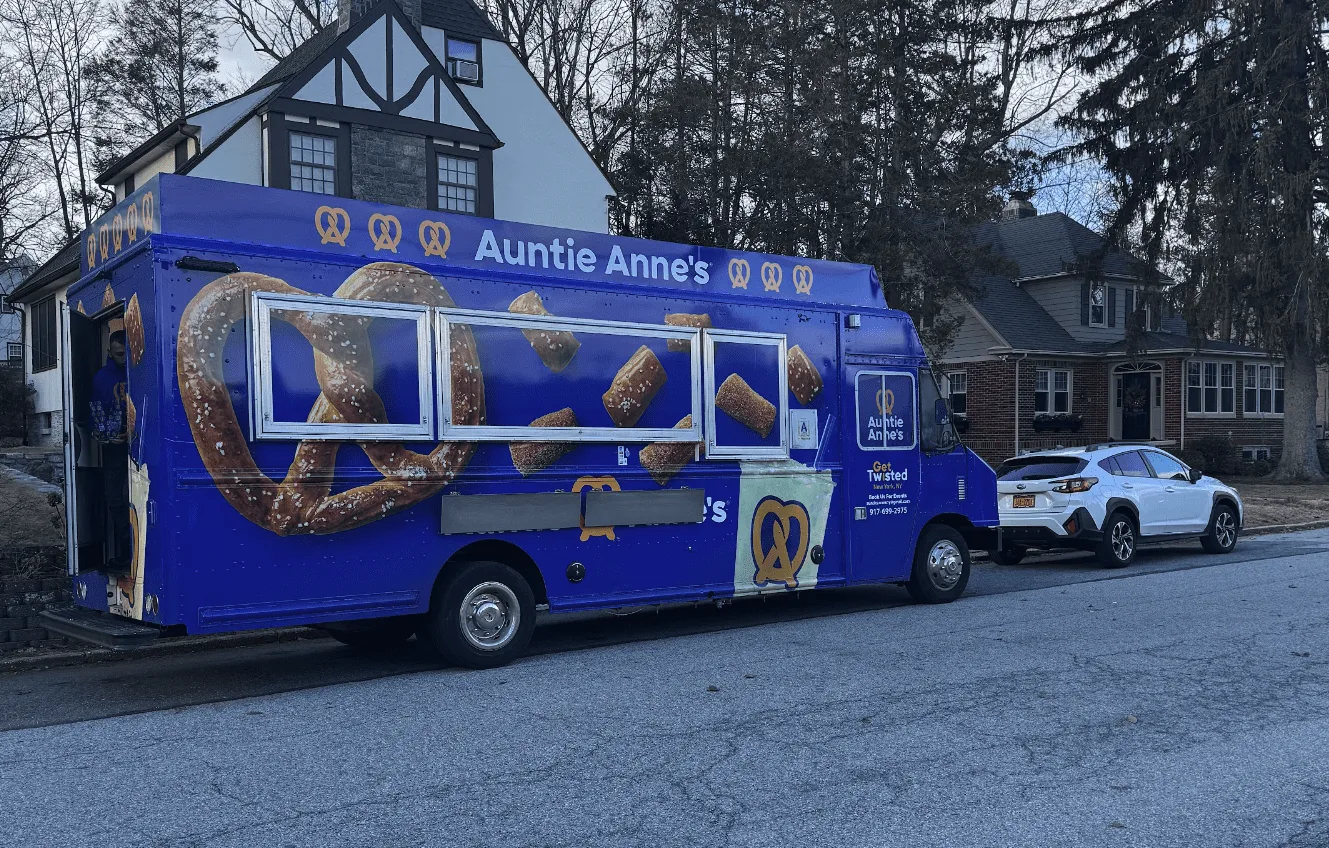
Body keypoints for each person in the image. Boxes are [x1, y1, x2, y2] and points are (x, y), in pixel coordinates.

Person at [90, 330, 131, 574]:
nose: (123, 358)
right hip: (114, 448)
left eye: (126, 353)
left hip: (142, 444)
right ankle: (125, 553)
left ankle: (137, 553)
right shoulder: (102, 378)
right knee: (116, 499)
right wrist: (104, 434)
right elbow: (95, 411)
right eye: (118, 354)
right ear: (109, 352)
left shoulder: (142, 371)